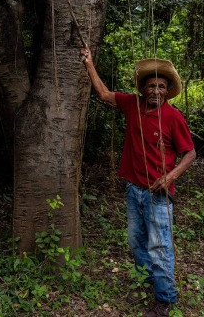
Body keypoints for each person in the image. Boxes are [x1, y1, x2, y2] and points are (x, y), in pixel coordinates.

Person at [80, 46, 196, 317]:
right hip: (134, 189)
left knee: (160, 246)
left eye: (161, 86)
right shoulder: (132, 104)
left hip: (159, 194)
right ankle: (151, 282)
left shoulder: (173, 116)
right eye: (151, 85)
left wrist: (170, 176)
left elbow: (190, 152)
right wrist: (89, 63)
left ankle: (165, 300)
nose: (156, 91)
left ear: (167, 91)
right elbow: (104, 94)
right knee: (135, 242)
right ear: (143, 88)